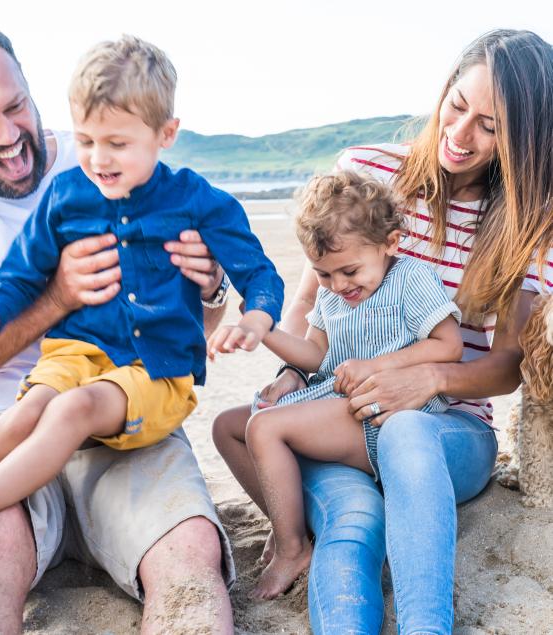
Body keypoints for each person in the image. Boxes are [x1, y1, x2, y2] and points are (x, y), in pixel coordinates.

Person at [210, 29, 553, 633]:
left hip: (450, 430)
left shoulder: (532, 226)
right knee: (351, 522)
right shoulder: (367, 171)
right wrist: (292, 370)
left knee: (406, 433)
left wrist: (423, 378)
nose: (459, 133)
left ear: (523, 139)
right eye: (456, 105)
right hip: (343, 413)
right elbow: (312, 300)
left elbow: (504, 370)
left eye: (490, 126)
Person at [0, 20, 238, 633]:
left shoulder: (109, 151)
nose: (10, 136)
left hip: (123, 397)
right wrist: (55, 297)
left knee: (189, 550)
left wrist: (213, 285)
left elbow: (201, 320)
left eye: (16, 106)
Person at [210, 170, 462, 600]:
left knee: (266, 429)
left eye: (349, 271)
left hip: (385, 415)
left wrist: (377, 365)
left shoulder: (410, 279)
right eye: (324, 275)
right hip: (335, 406)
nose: (338, 285)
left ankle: (292, 548)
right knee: (227, 426)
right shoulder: (331, 295)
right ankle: (288, 521)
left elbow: (448, 345)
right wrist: (264, 329)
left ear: (390, 244)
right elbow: (316, 357)